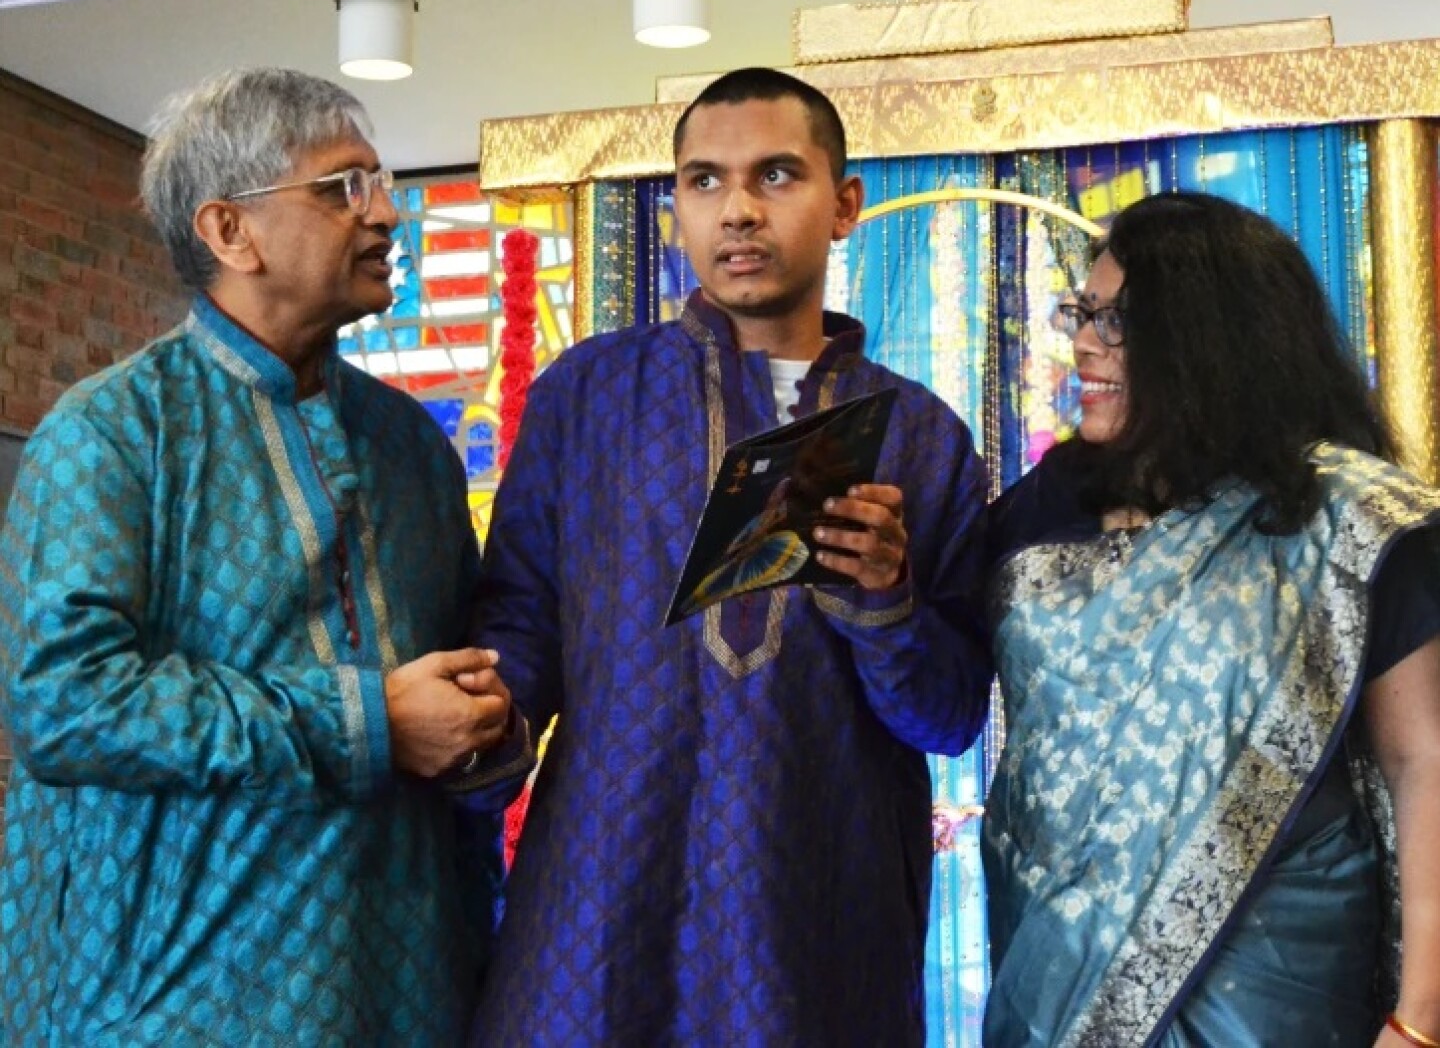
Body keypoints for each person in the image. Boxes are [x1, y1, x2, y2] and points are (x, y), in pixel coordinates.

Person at [0, 68, 531, 1045]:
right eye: (341, 190)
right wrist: (371, 718)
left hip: (409, 982)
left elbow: (450, 676)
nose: (383, 217)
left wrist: (483, 729)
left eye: (381, 185)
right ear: (227, 231)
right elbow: (64, 703)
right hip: (183, 998)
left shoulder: (411, 445)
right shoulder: (115, 433)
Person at [468, 67, 992, 1045]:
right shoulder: (589, 397)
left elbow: (953, 715)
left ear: (844, 206)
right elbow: (520, 626)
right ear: (675, 207)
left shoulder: (919, 439)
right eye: (704, 181)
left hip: (816, 938)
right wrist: (473, 724)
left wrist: (883, 601)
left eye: (776, 176)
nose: (738, 210)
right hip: (597, 926)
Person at [983, 191, 1440, 1046]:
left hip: (1281, 989)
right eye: (1083, 314)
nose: (1083, 343)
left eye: (1117, 322)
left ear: (1211, 342)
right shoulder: (1042, 512)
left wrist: (1420, 1020)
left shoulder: (1346, 520)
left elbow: (1426, 761)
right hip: (1059, 991)